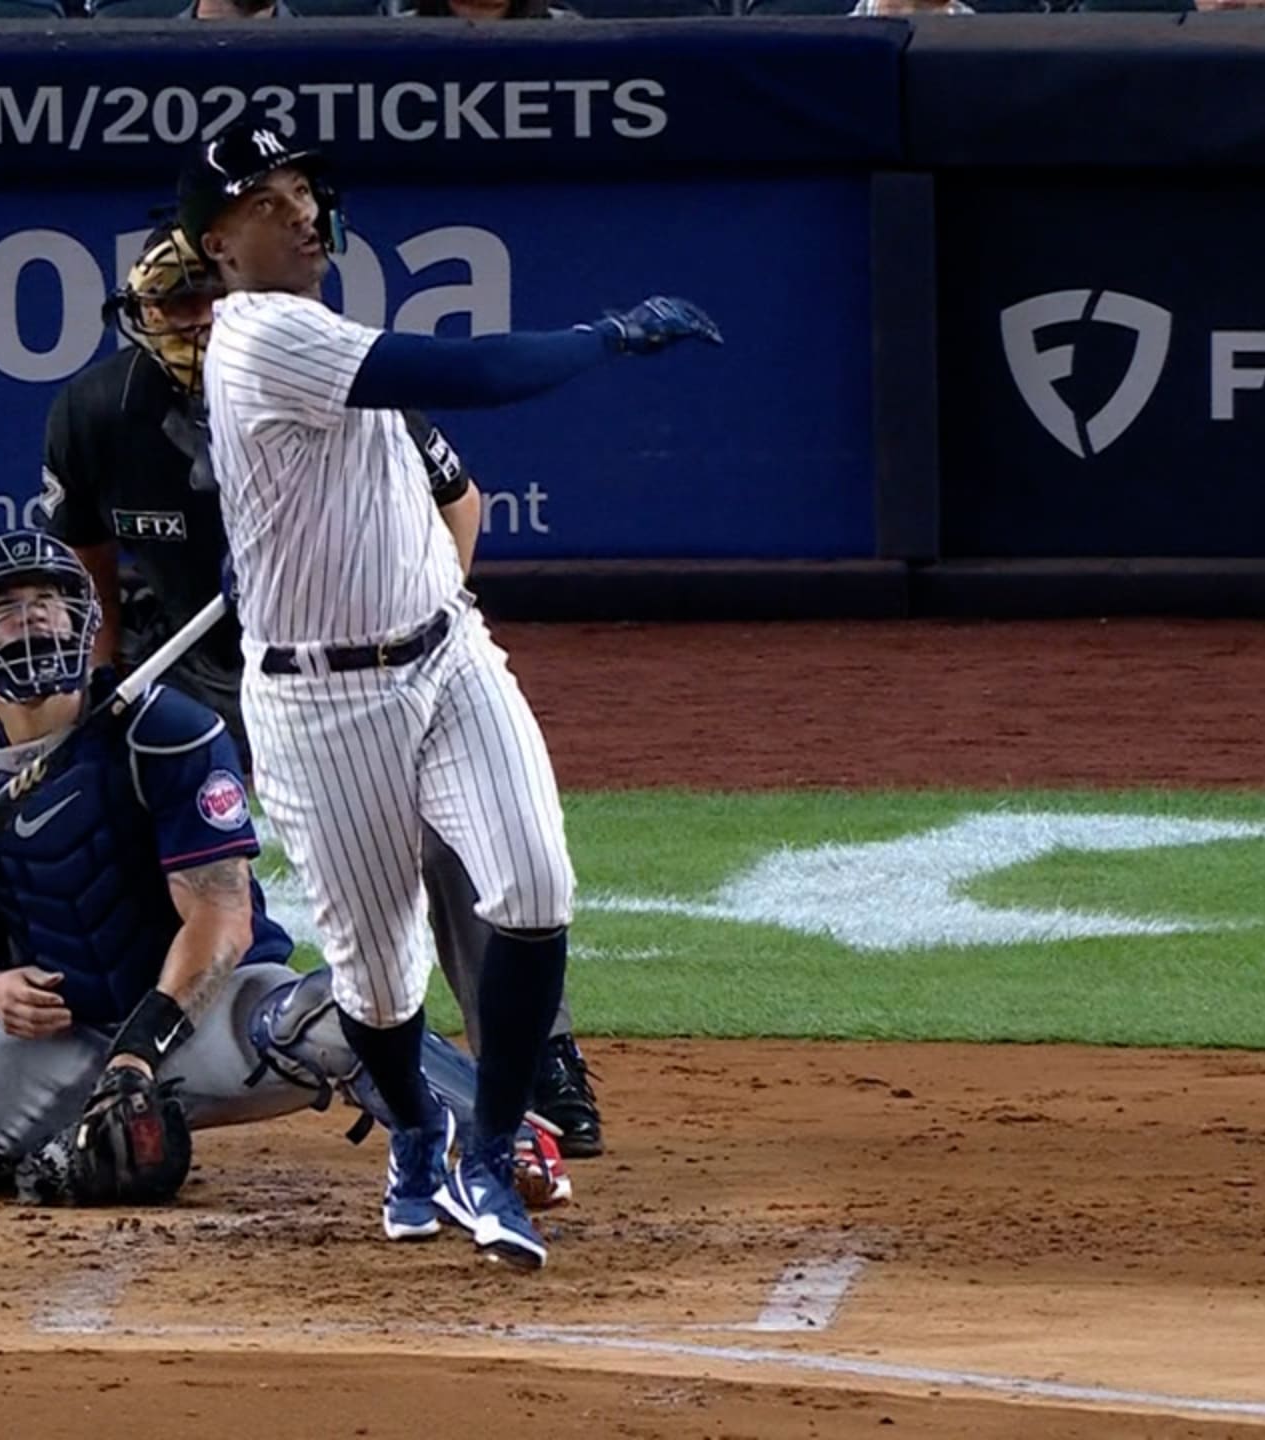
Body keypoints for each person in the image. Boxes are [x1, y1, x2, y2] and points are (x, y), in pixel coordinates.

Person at [175, 117, 720, 1269]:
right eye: (268, 201)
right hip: (320, 711)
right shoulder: (262, 338)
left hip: (446, 654)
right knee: (378, 977)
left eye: (305, 191)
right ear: (217, 242)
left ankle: (485, 1143)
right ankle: (414, 1132)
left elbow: (421, 472)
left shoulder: (316, 334)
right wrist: (608, 335)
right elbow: (470, 374)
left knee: (532, 887)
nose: (302, 212)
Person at [44, 221, 609, 1160]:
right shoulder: (99, 410)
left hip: (345, 660)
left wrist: (430, 628)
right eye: (168, 306)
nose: (188, 321)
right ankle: (115, 1039)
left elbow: (457, 500)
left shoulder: (326, 376)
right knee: (113, 817)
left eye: (202, 300)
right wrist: (102, 683)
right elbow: (88, 559)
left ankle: (539, 1057)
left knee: (449, 838)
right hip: (195, 670)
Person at [0, 530, 571, 1229]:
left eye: (51, 599)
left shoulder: (164, 733)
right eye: (5, 606)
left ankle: (499, 1138)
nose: (35, 615)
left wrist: (139, 1052)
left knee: (334, 1015)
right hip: (65, 1041)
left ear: (84, 616)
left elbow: (221, 921)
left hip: (208, 1023)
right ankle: (82, 1146)